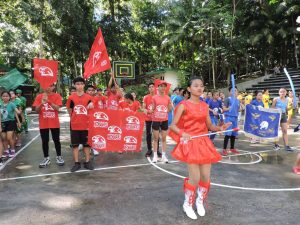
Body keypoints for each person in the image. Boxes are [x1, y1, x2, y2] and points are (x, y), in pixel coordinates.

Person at [170, 77, 231, 220]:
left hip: (203, 142)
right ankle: (187, 203)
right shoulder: (183, 105)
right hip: (191, 142)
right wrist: (182, 133)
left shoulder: (204, 106)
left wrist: (219, 128)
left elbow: (210, 126)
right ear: (189, 89)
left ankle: (200, 201)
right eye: (196, 86)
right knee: (195, 177)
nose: (199, 88)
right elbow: (172, 125)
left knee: (205, 176)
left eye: (202, 86)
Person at [32, 83, 64, 168]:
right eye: (46, 85)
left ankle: (59, 157)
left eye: (50, 85)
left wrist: (48, 101)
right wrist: (42, 103)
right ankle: (46, 158)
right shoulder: (39, 96)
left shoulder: (57, 96)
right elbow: (36, 111)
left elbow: (57, 108)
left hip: (54, 122)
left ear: (54, 87)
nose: (48, 87)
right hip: (43, 123)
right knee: (44, 141)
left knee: (56, 140)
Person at [66, 77, 94, 172]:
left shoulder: (89, 97)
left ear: (84, 85)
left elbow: (93, 110)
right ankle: (76, 163)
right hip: (75, 125)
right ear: (74, 85)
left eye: (81, 84)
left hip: (86, 125)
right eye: (77, 84)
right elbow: (69, 110)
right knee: (75, 145)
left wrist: (92, 105)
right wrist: (74, 118)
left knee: (86, 145)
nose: (79, 86)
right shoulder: (71, 97)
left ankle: (87, 162)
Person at [150, 81, 172, 163]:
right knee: (156, 138)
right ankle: (155, 156)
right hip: (156, 120)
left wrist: (168, 107)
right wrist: (148, 111)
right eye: (161, 86)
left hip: (164, 120)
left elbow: (169, 109)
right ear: (158, 87)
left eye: (164, 86)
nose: (163, 88)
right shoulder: (154, 97)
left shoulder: (167, 97)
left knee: (164, 138)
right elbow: (153, 108)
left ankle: (163, 155)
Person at [142, 83, 162, 158]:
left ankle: (157, 150)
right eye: (149, 87)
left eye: (152, 86)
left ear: (155, 88)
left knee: (156, 135)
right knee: (148, 134)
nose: (151, 88)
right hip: (148, 118)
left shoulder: (158, 97)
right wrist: (145, 110)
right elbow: (144, 106)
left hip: (156, 118)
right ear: (148, 89)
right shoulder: (146, 97)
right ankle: (149, 149)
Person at [0, 91, 21, 158]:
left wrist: (19, 111)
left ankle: (12, 149)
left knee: (9, 137)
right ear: (1, 97)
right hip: (3, 123)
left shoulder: (12, 104)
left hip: (11, 122)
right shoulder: (0, 105)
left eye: (7, 96)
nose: (5, 97)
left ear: (9, 97)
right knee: (4, 138)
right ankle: (6, 151)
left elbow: (17, 112)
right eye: (3, 96)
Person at [222, 86, 240, 156]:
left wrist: (241, 108)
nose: (234, 92)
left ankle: (232, 148)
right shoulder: (227, 99)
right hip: (228, 118)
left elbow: (238, 110)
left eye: (235, 90)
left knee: (234, 134)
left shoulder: (238, 100)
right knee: (228, 134)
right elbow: (223, 109)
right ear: (229, 92)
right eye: (232, 90)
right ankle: (224, 149)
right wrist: (228, 108)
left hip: (235, 118)